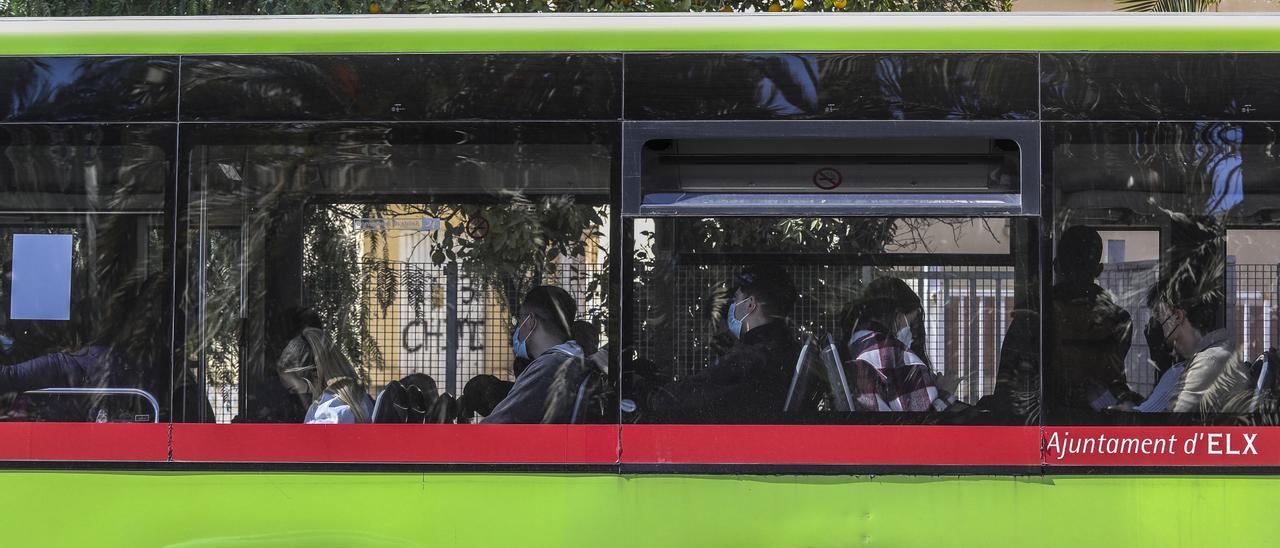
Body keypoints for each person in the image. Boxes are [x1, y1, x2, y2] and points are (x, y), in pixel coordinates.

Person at [639, 264, 802, 422]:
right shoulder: (784, 348)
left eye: (736, 299)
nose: (732, 306)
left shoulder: (754, 356)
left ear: (750, 305)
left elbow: (697, 394)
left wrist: (650, 395)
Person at [1047, 226, 1143, 412]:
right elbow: (1111, 380)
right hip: (1102, 425)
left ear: (1057, 266)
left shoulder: (1035, 317)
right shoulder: (1120, 321)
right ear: (1099, 269)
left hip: (1051, 421)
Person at [841, 276, 956, 412]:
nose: (913, 334)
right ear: (898, 316)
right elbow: (924, 423)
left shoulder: (856, 342)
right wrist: (945, 393)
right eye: (911, 323)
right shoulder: (890, 352)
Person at [483, 285, 589, 424]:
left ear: (531, 321)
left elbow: (495, 428)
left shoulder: (549, 367)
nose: (518, 327)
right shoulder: (574, 359)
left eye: (519, 319)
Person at [276, 327, 374, 424]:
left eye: (294, 389)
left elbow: (318, 437)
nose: (294, 394)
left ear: (314, 375)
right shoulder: (354, 397)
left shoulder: (331, 407)